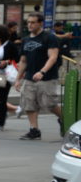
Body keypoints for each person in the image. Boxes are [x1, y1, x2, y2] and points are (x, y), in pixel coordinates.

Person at [15, 12, 61, 140]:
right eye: (28, 22)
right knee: (29, 103)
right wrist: (18, 78)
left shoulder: (49, 37)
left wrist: (42, 72)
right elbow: (23, 61)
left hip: (47, 77)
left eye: (33, 22)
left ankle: (63, 119)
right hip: (30, 77)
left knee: (49, 103)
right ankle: (34, 130)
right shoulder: (26, 40)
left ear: (40, 23)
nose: (29, 25)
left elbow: (53, 57)